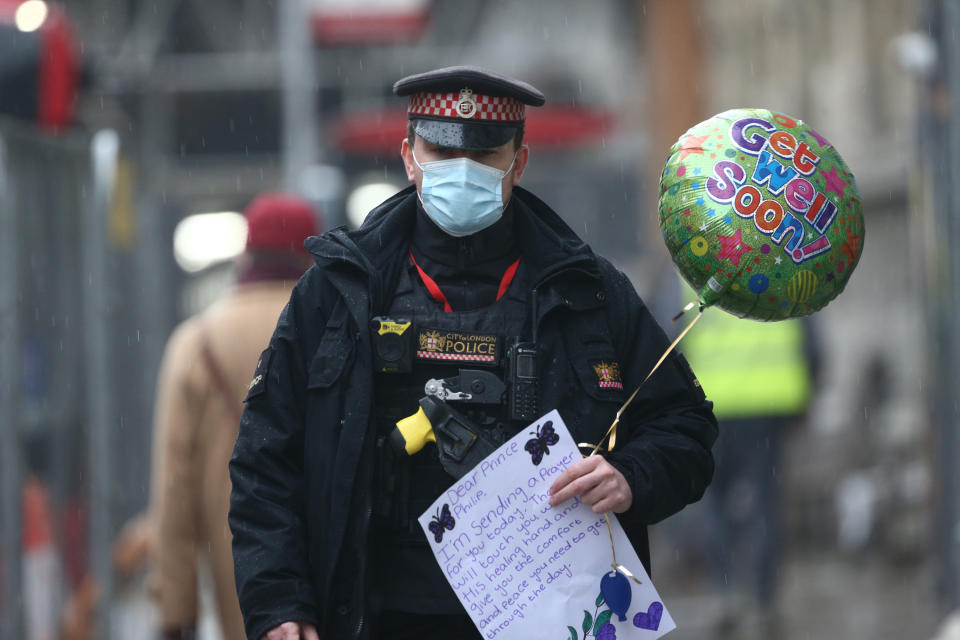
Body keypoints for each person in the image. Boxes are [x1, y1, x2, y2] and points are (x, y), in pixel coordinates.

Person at [229, 66, 718, 640]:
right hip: (376, 616)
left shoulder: (586, 292)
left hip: (547, 616)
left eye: (486, 154)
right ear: (408, 156)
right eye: (440, 151)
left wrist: (631, 474)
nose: (462, 172)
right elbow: (265, 461)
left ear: (520, 163)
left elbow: (685, 426)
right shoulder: (338, 294)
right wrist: (280, 604)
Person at [151, 194, 320, 640]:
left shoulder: (196, 342)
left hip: (241, 563)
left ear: (246, 252)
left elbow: (174, 489)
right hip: (329, 549)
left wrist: (176, 608)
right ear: (311, 251)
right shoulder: (335, 326)